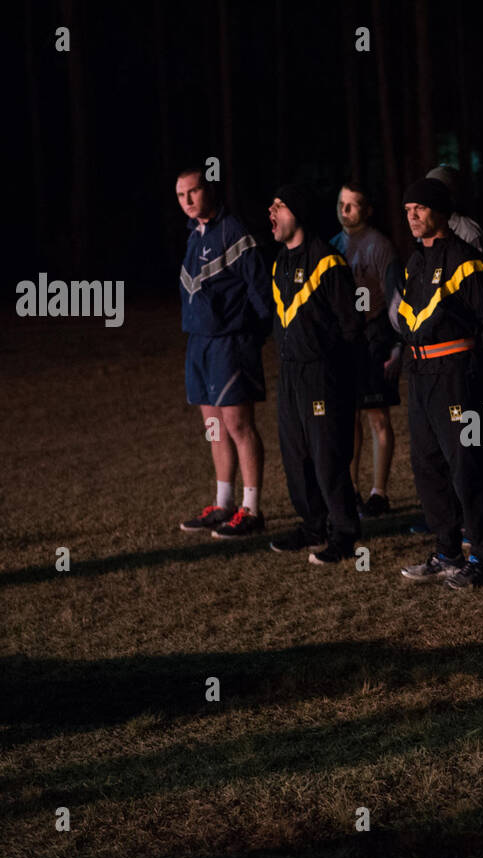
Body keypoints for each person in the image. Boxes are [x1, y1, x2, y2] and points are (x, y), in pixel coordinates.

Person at [394, 177, 483, 588]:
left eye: (419, 209)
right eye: (407, 211)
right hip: (421, 375)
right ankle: (446, 550)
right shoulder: (415, 261)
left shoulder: (467, 261)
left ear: (440, 212)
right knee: (427, 465)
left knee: (468, 466)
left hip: (457, 375)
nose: (412, 217)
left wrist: (478, 373)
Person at [266, 185, 363, 564]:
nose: (270, 211)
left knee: (327, 456)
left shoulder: (328, 262)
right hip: (290, 373)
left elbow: (351, 326)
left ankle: (344, 533)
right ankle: (312, 525)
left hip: (323, 374)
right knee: (296, 455)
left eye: (278, 204)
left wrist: (340, 374)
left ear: (298, 212)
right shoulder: (280, 262)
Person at [174, 166, 271, 539]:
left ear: (209, 190)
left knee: (238, 425)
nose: (187, 201)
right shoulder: (193, 235)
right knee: (213, 425)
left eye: (193, 192)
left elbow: (260, 290)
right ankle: (224, 502)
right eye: (181, 195)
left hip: (231, 342)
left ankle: (252, 509)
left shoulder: (233, 231)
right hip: (199, 342)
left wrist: (251, 336)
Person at [332, 182, 404, 518]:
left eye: (353, 204)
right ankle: (351, 490)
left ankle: (379, 492)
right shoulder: (333, 245)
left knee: (377, 416)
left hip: (375, 338)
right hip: (345, 342)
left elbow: (394, 297)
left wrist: (397, 343)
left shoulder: (380, 246)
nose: (345, 210)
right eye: (342, 203)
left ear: (368, 210)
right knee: (348, 420)